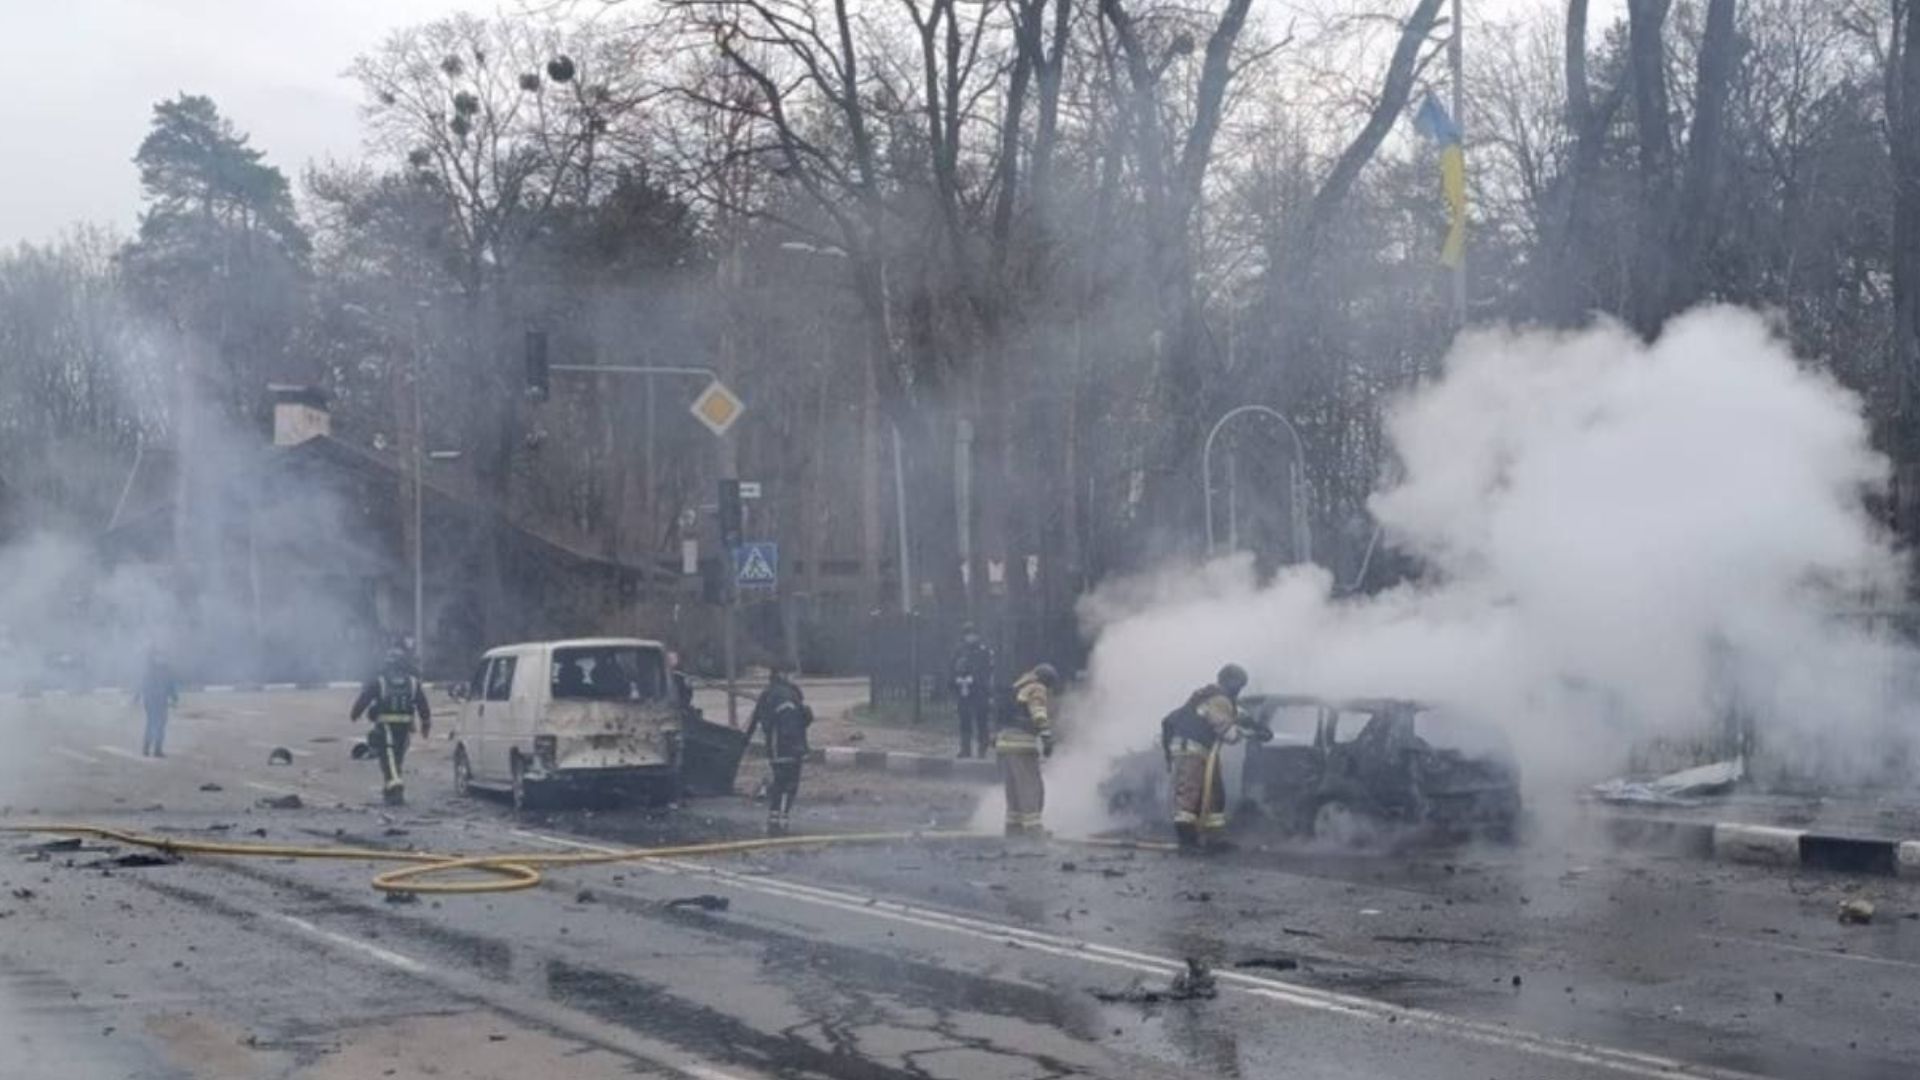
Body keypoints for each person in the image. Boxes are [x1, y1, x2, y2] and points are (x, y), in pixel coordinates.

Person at [1160, 663, 1258, 853]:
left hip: (1203, 751)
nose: (1240, 690)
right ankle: (1187, 843)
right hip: (1190, 749)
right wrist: (1249, 733)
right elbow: (1227, 732)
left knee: (1215, 793)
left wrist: (1253, 724)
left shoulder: (1214, 698)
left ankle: (1214, 839)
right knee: (1190, 793)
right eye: (1239, 685)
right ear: (1229, 682)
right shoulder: (1218, 699)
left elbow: (1236, 713)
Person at [349, 646, 432, 806]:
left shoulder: (380, 681)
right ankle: (390, 788)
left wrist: (355, 714)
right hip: (405, 727)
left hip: (386, 726)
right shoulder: (413, 683)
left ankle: (395, 784)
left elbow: (364, 699)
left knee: (389, 757)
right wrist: (426, 723)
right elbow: (423, 705)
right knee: (397, 757)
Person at [745, 666, 812, 833]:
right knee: (790, 782)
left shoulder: (767, 693)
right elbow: (798, 720)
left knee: (779, 781)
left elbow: (756, 719)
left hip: (775, 747)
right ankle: (783, 817)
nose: (794, 677)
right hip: (791, 745)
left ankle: (774, 816)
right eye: (792, 673)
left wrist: (745, 739)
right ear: (783, 674)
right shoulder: (789, 694)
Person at [996, 663, 1059, 837]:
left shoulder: (1019, 687)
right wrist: (1046, 737)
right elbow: (1038, 713)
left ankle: (1013, 829)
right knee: (1031, 787)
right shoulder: (1037, 688)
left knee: (1014, 789)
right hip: (1021, 744)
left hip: (1005, 743)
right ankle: (1034, 830)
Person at [949, 624, 995, 759]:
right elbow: (952, 667)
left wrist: (974, 679)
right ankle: (965, 749)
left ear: (978, 636)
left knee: (981, 719)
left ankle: (982, 749)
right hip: (963, 690)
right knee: (964, 720)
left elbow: (987, 670)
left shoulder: (984, 651)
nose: (971, 637)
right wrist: (955, 680)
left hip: (980, 690)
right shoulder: (959, 651)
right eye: (968, 634)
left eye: (973, 634)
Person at [132, 648, 178, 758]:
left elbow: (170, 685)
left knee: (160, 725)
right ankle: (147, 748)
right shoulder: (151, 671)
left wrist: (174, 698)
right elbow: (142, 685)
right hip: (151, 701)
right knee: (153, 723)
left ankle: (156, 749)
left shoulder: (165, 671)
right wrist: (136, 697)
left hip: (160, 701)